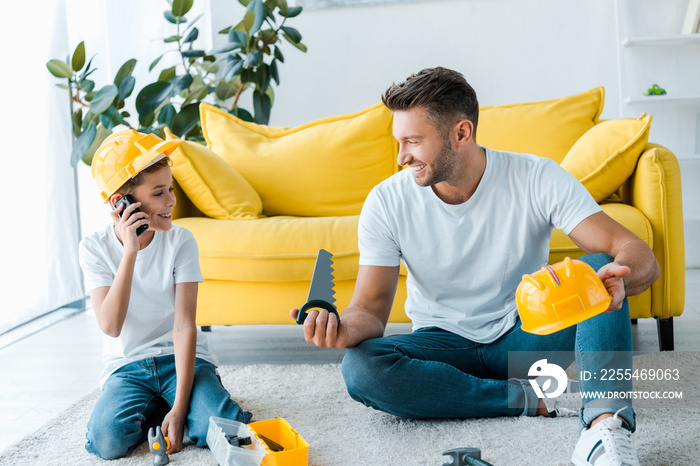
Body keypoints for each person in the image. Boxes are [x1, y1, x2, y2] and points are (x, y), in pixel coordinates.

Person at [290, 67, 660, 465]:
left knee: (598, 266)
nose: (401, 158)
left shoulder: (535, 177)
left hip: (525, 338)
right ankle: (531, 398)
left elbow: (635, 252)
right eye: (399, 142)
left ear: (461, 134)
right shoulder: (386, 202)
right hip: (442, 347)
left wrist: (619, 276)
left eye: (413, 142)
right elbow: (370, 309)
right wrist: (344, 329)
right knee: (362, 369)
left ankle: (604, 427)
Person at [79, 130, 252, 460]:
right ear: (121, 202)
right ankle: (164, 409)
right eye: (159, 193)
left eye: (169, 189)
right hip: (127, 368)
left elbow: (185, 326)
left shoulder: (181, 241)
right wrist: (130, 253)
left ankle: (181, 405)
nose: (171, 201)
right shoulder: (93, 249)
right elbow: (111, 325)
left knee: (224, 428)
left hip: (185, 361)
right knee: (106, 440)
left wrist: (181, 403)